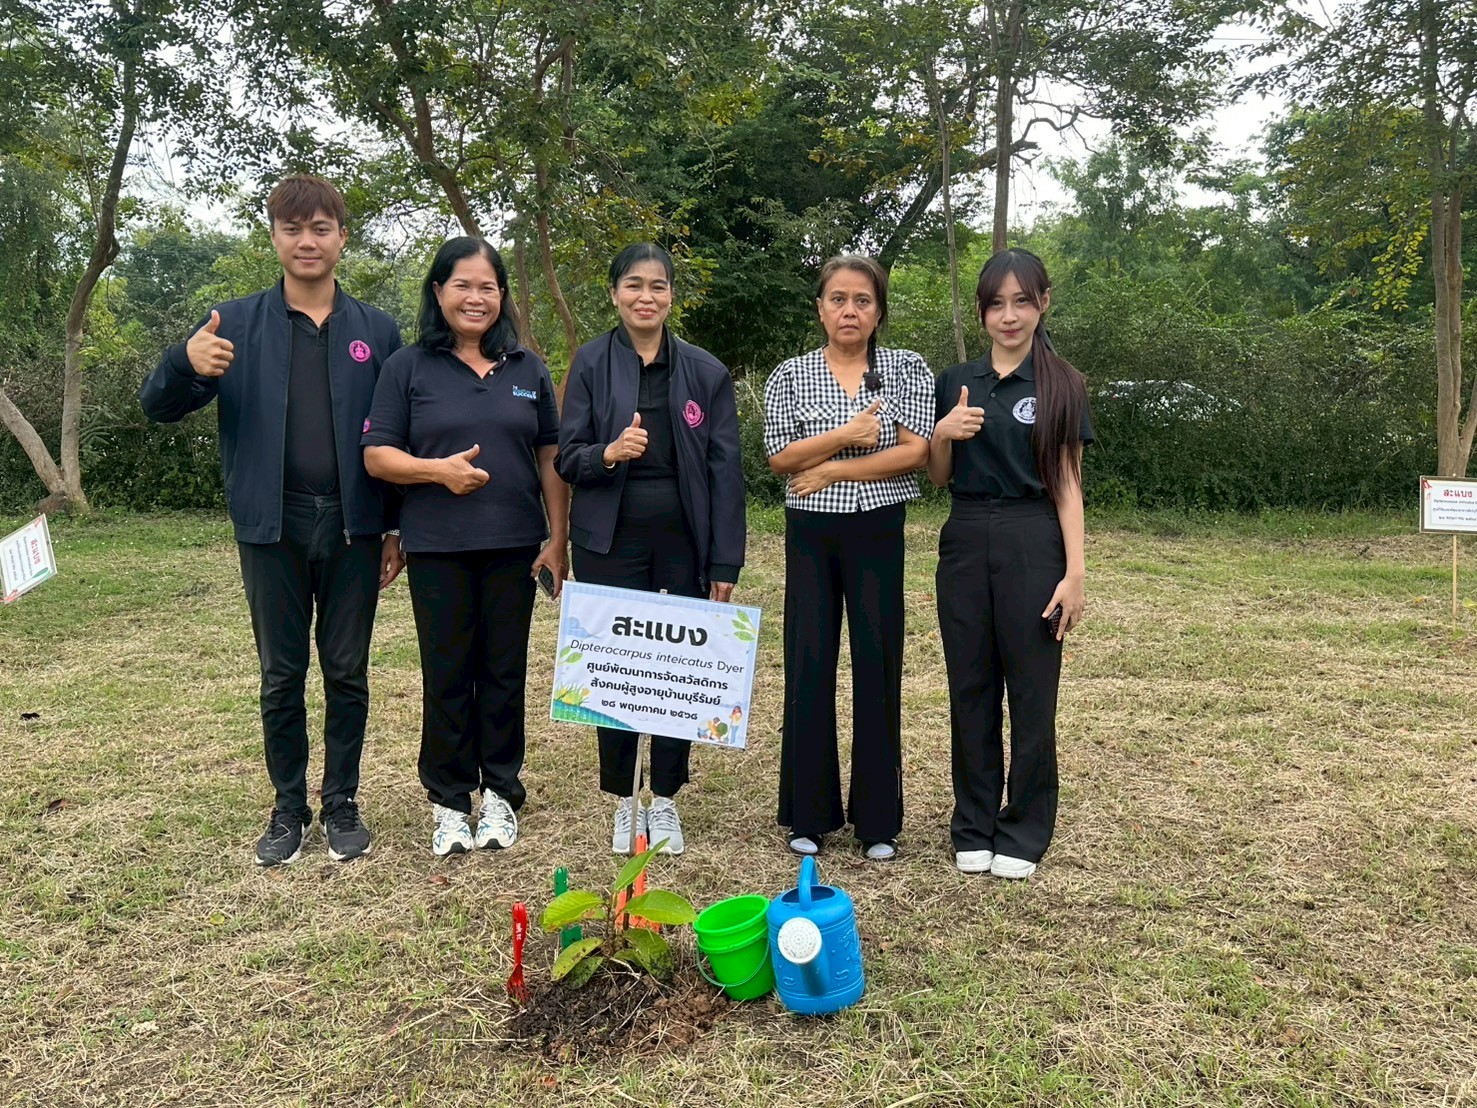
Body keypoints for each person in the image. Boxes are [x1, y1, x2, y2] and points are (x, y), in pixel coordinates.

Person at [139, 175, 404, 867]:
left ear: (342, 237)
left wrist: (394, 528)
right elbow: (157, 406)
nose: (306, 241)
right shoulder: (231, 324)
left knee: (346, 671)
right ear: (274, 236)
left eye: (320, 228)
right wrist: (182, 362)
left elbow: (399, 433)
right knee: (281, 674)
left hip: (354, 524)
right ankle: (288, 808)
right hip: (270, 524)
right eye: (293, 228)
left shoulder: (377, 330)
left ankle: (341, 803)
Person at [362, 238, 568, 857]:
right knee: (447, 673)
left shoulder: (527, 368)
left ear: (501, 296)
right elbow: (378, 455)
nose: (476, 298)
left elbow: (550, 455)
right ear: (438, 291)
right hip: (438, 547)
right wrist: (438, 473)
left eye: (488, 287)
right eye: (462, 285)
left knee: (503, 672)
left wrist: (558, 538)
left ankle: (501, 791)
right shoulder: (407, 366)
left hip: (514, 544)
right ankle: (450, 801)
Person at [556, 243, 745, 855]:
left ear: (671, 296)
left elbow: (725, 472)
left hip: (684, 540)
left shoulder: (705, 372)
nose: (646, 296)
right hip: (608, 539)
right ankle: (624, 799)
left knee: (676, 671)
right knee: (615, 667)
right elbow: (566, 456)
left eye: (658, 286)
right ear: (614, 293)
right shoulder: (590, 363)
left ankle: (664, 796)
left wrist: (724, 561)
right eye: (634, 285)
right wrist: (608, 454)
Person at [928, 248, 1092, 880]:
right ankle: (973, 823)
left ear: (1043, 303)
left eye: (1022, 301)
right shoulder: (957, 379)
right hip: (966, 536)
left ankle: (1024, 827)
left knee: (1030, 690)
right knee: (969, 686)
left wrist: (1074, 573)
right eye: (996, 304)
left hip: (1033, 538)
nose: (1009, 315)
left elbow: (1068, 484)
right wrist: (943, 434)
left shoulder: (1062, 384)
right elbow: (938, 476)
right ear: (982, 312)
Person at [762, 255, 933, 862]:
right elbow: (781, 458)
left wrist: (834, 468)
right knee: (809, 661)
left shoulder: (905, 369)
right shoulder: (791, 375)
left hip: (878, 527)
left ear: (878, 311)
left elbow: (915, 452)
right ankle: (808, 814)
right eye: (838, 299)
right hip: (811, 531)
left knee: (877, 663)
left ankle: (878, 821)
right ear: (820, 308)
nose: (850, 311)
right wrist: (844, 436)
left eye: (863, 300)